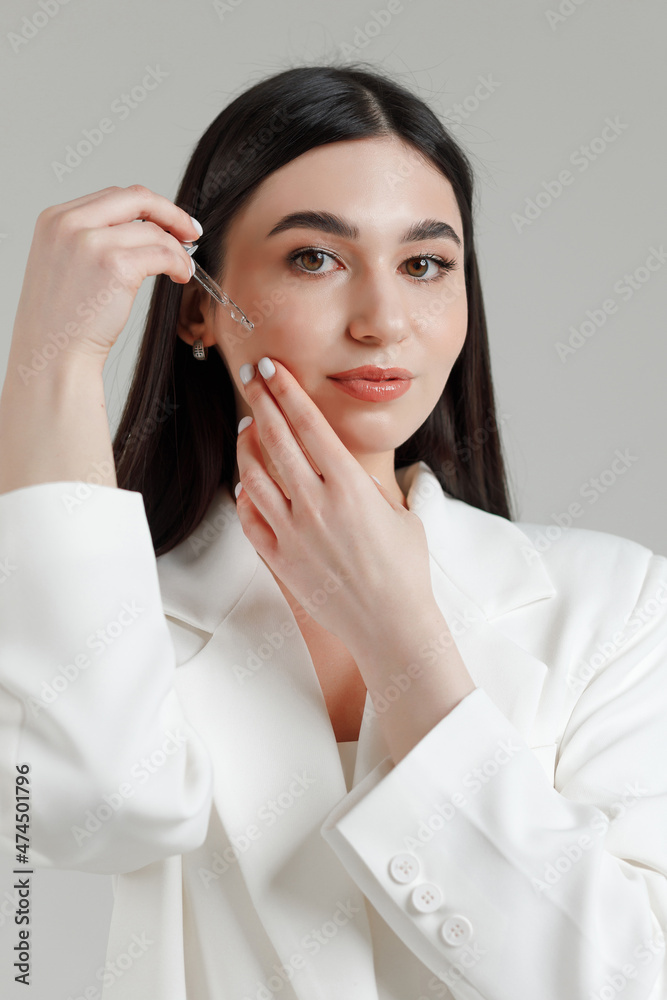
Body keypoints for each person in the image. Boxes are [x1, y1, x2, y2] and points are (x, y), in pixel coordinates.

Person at [0, 64, 666, 1000]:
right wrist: (54, 359)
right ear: (198, 307)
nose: (383, 322)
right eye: (315, 258)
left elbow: (626, 978)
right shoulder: (106, 604)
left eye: (425, 265)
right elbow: (82, 811)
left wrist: (400, 636)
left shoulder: (617, 605)